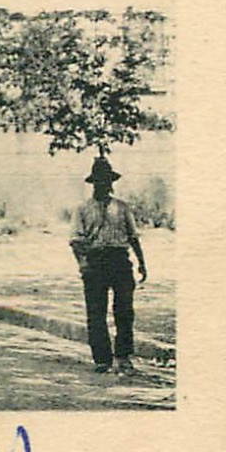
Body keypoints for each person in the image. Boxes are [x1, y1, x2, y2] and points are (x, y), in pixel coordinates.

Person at [70, 155, 148, 375]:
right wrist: (83, 264)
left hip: (120, 261)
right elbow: (76, 241)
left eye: (106, 181)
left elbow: (133, 236)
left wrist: (142, 263)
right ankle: (102, 359)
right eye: (98, 181)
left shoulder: (122, 208)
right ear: (93, 183)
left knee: (124, 311)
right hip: (95, 262)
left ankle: (123, 356)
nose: (102, 185)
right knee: (96, 313)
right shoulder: (82, 209)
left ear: (111, 183)